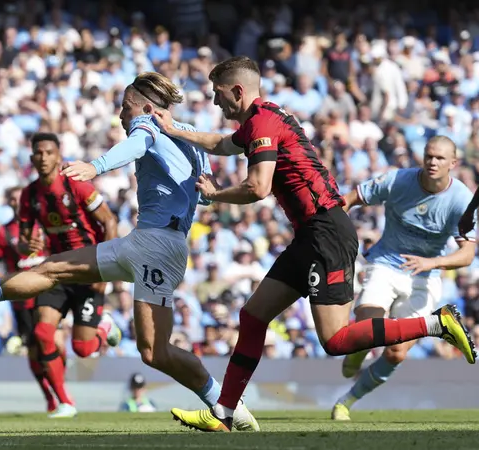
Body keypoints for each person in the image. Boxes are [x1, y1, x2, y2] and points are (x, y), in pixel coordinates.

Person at [0, 72, 260, 431]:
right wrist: (205, 191)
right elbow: (205, 192)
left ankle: (227, 406)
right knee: (52, 269)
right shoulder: (187, 132)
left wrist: (95, 166)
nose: (120, 114)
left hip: (157, 246)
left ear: (145, 106)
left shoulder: (149, 122)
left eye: (125, 107)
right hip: (153, 244)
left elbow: (137, 143)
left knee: (154, 352)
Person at [155, 56, 475, 432]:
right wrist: (175, 129)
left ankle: (436, 324)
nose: (214, 102)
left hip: (326, 233)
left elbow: (258, 187)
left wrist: (215, 194)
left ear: (238, 91)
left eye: (218, 94)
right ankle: (225, 412)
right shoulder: (263, 116)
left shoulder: (262, 122)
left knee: (337, 341)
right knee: (253, 316)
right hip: (311, 234)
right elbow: (222, 143)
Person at [0, 132, 121, 418]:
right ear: (32, 157)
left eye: (49, 152)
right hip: (57, 271)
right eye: (38, 153)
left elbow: (109, 222)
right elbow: (23, 241)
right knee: (42, 332)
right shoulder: (30, 195)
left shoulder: (77, 185)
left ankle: (104, 329)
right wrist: (27, 245)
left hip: (88, 270)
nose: (44, 157)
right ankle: (64, 402)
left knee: (83, 349)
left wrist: (105, 269)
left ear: (58, 155)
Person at [331, 136, 477, 420]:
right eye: (429, 156)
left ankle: (346, 402)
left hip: (424, 276)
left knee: (397, 353)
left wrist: (431, 262)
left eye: (439, 158)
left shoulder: (462, 200)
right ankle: (358, 351)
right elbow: (352, 198)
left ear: (453, 164)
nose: (432, 162)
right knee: (368, 327)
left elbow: (467, 254)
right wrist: (332, 230)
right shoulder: (398, 180)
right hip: (385, 263)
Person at [0, 186, 62, 414]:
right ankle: (49, 395)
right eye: (11, 198)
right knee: (33, 350)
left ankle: (61, 389)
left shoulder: (44, 224)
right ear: (9, 203)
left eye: (19, 197)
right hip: (22, 300)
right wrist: (7, 282)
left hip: (49, 291)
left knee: (55, 342)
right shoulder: (4, 232)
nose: (16, 201)